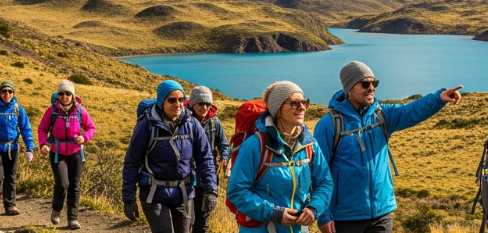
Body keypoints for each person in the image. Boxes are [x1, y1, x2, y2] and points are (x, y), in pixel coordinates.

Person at [313, 62, 463, 233]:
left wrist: (438, 98)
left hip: (382, 212)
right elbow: (318, 173)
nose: (371, 88)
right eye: (365, 84)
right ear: (349, 89)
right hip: (345, 217)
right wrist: (323, 215)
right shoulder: (329, 124)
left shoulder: (382, 115)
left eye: (374, 83)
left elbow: (411, 110)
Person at [228, 81, 333, 233]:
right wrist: (273, 213)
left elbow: (325, 182)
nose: (302, 107)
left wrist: (313, 208)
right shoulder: (256, 145)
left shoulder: (310, 145)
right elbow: (237, 191)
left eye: (304, 102)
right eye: (294, 103)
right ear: (278, 110)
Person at [122, 80, 218, 233]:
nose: (178, 104)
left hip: (183, 194)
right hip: (154, 194)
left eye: (181, 100)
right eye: (171, 100)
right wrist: (129, 198)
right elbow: (132, 162)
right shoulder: (146, 126)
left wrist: (211, 190)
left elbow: (205, 158)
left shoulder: (192, 124)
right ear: (161, 101)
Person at [37, 79, 97, 230]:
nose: (65, 97)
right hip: (57, 153)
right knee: (63, 184)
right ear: (58, 95)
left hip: (76, 153)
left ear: (73, 96)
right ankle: (56, 210)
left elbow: (91, 127)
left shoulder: (80, 111)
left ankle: (73, 218)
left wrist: (84, 137)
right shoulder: (53, 110)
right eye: (62, 94)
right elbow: (42, 129)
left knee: (75, 186)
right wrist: (43, 144)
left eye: (68, 94)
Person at [186, 86, 230, 233]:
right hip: (187, 177)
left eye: (208, 104)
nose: (204, 107)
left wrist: (224, 157)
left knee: (202, 221)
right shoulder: (184, 120)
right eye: (200, 104)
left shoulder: (214, 122)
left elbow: (223, 144)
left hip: (207, 177)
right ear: (193, 103)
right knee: (187, 220)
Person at [0, 80, 35, 216]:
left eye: (10, 91)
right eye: (4, 91)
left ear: (13, 93)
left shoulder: (18, 109)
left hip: (12, 147)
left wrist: (30, 148)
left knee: (11, 177)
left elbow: (26, 129)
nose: (7, 94)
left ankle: (10, 206)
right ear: (0, 93)